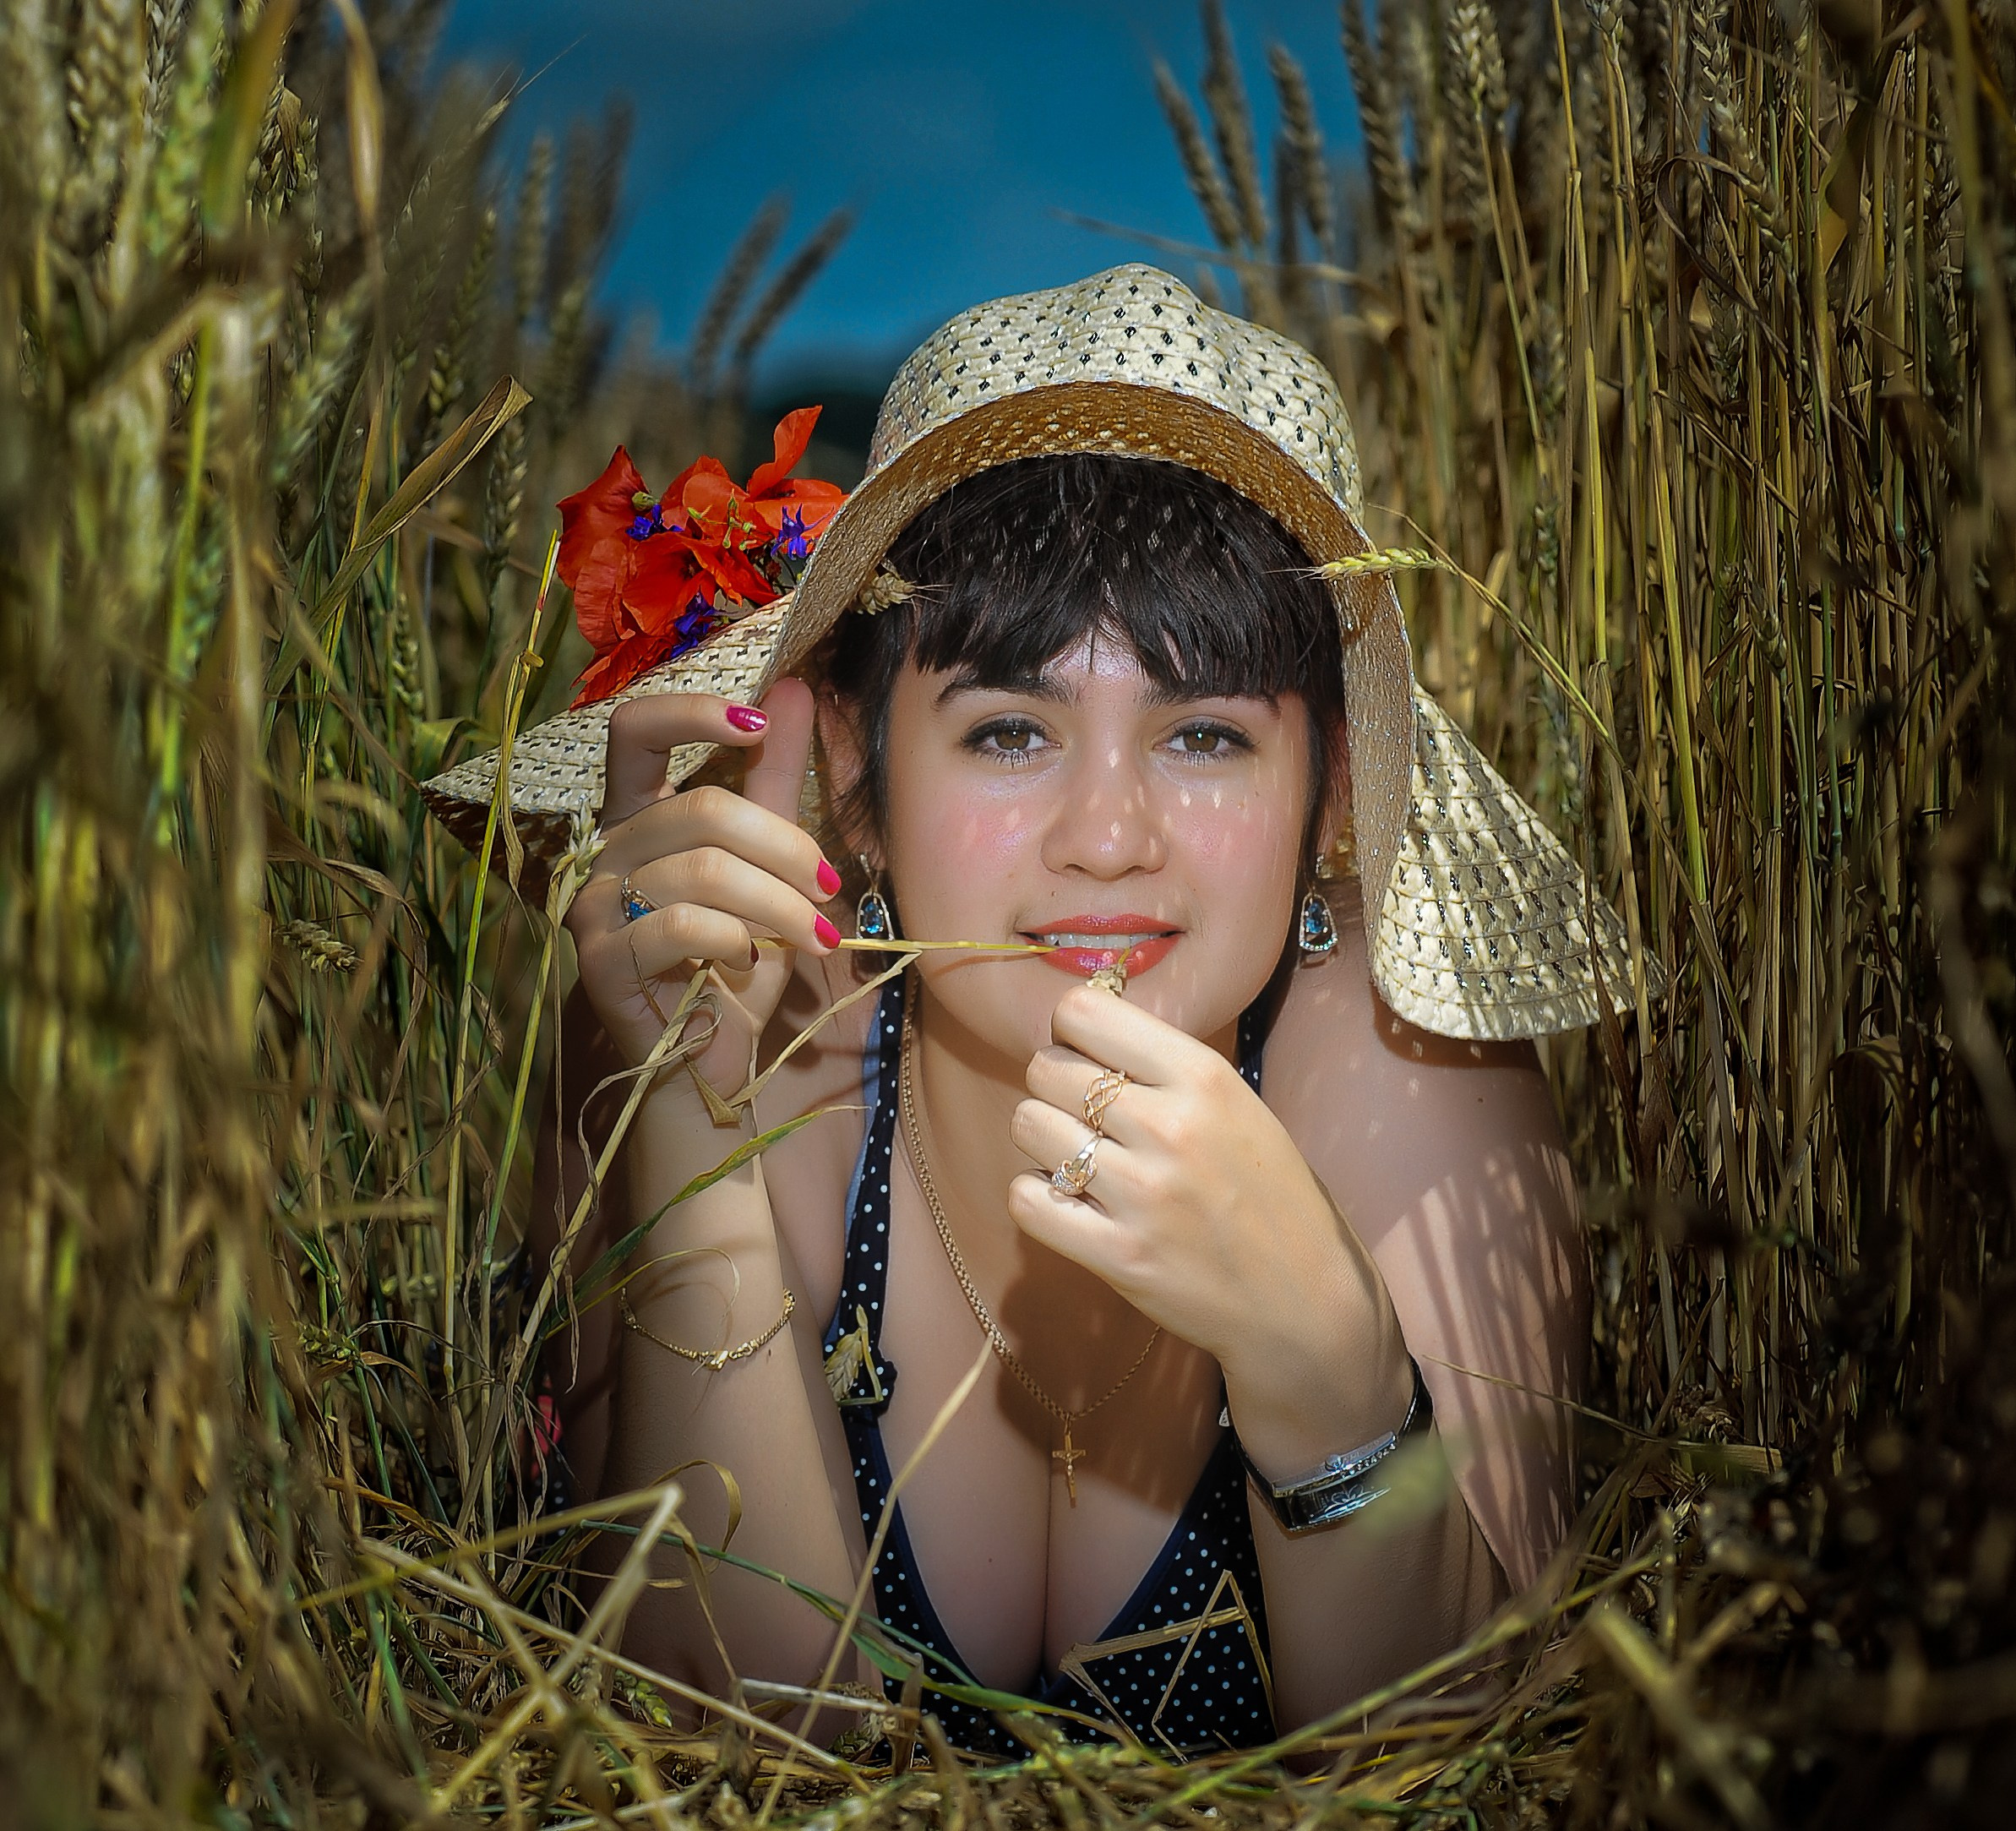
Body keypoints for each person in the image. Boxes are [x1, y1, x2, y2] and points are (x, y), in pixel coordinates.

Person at [424, 264, 1643, 1754]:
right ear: (858, 792)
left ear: (1328, 795)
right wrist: (691, 1151)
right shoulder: (744, 1028)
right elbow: (721, 1754)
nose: (1109, 834)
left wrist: (1333, 1378)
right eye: (1009, 732)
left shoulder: (1403, 1068)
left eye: (1203, 734)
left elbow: (1457, 1757)